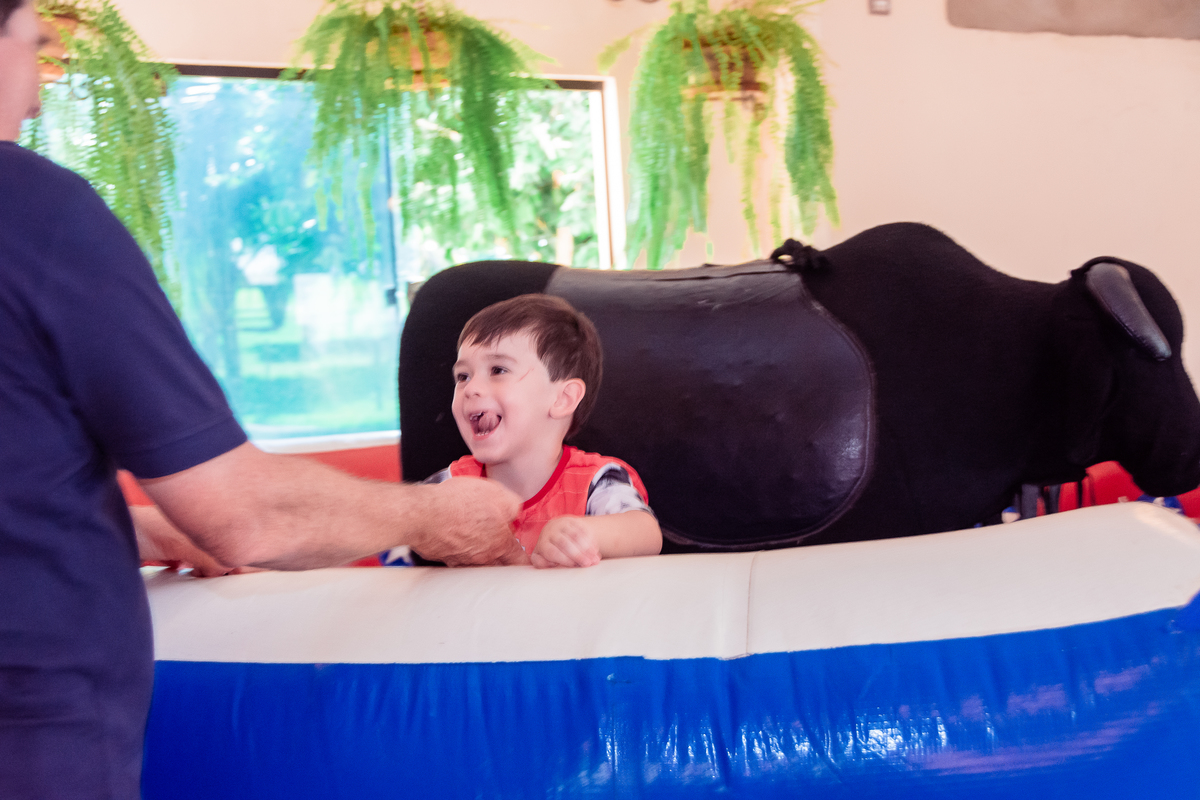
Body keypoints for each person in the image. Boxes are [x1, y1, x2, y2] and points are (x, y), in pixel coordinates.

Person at [0, 1, 521, 796]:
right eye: (33, 48)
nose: (39, 95)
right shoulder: (38, 213)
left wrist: (138, 528)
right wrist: (433, 516)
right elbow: (244, 515)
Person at [417, 294, 662, 568]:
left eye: (498, 370)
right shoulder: (452, 485)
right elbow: (402, 525)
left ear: (563, 399)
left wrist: (582, 533)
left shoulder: (595, 481)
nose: (470, 388)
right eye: (463, 376)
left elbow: (647, 533)